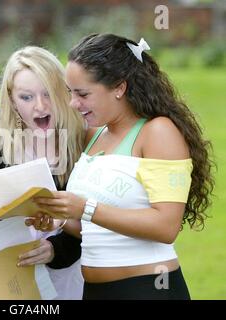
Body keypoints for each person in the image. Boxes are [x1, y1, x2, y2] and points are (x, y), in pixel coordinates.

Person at [33, 34, 215, 300]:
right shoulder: (94, 135)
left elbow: (166, 226)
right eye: (70, 92)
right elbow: (100, 229)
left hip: (147, 289)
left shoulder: (158, 132)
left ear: (119, 87)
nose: (73, 103)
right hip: (95, 291)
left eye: (83, 94)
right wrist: (61, 217)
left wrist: (84, 208)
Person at [0, 46, 85, 300]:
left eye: (48, 94)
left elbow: (93, 217)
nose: (40, 106)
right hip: (2, 262)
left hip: (63, 269)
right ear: (11, 98)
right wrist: (17, 207)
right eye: (26, 97)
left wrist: (57, 250)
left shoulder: (81, 132)